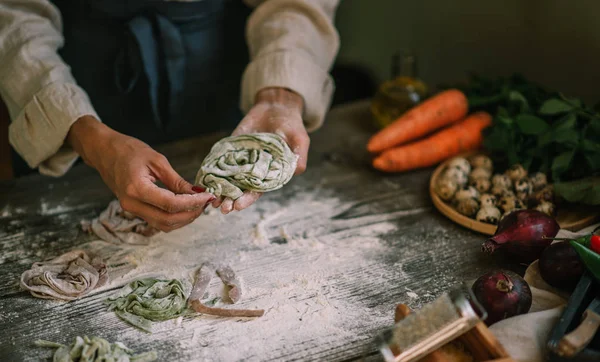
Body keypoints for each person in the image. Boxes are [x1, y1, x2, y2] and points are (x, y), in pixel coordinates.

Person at [0, 0, 340, 232]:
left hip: (218, 62)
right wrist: (84, 134)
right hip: (66, 70)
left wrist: (281, 92)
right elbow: (11, 12)